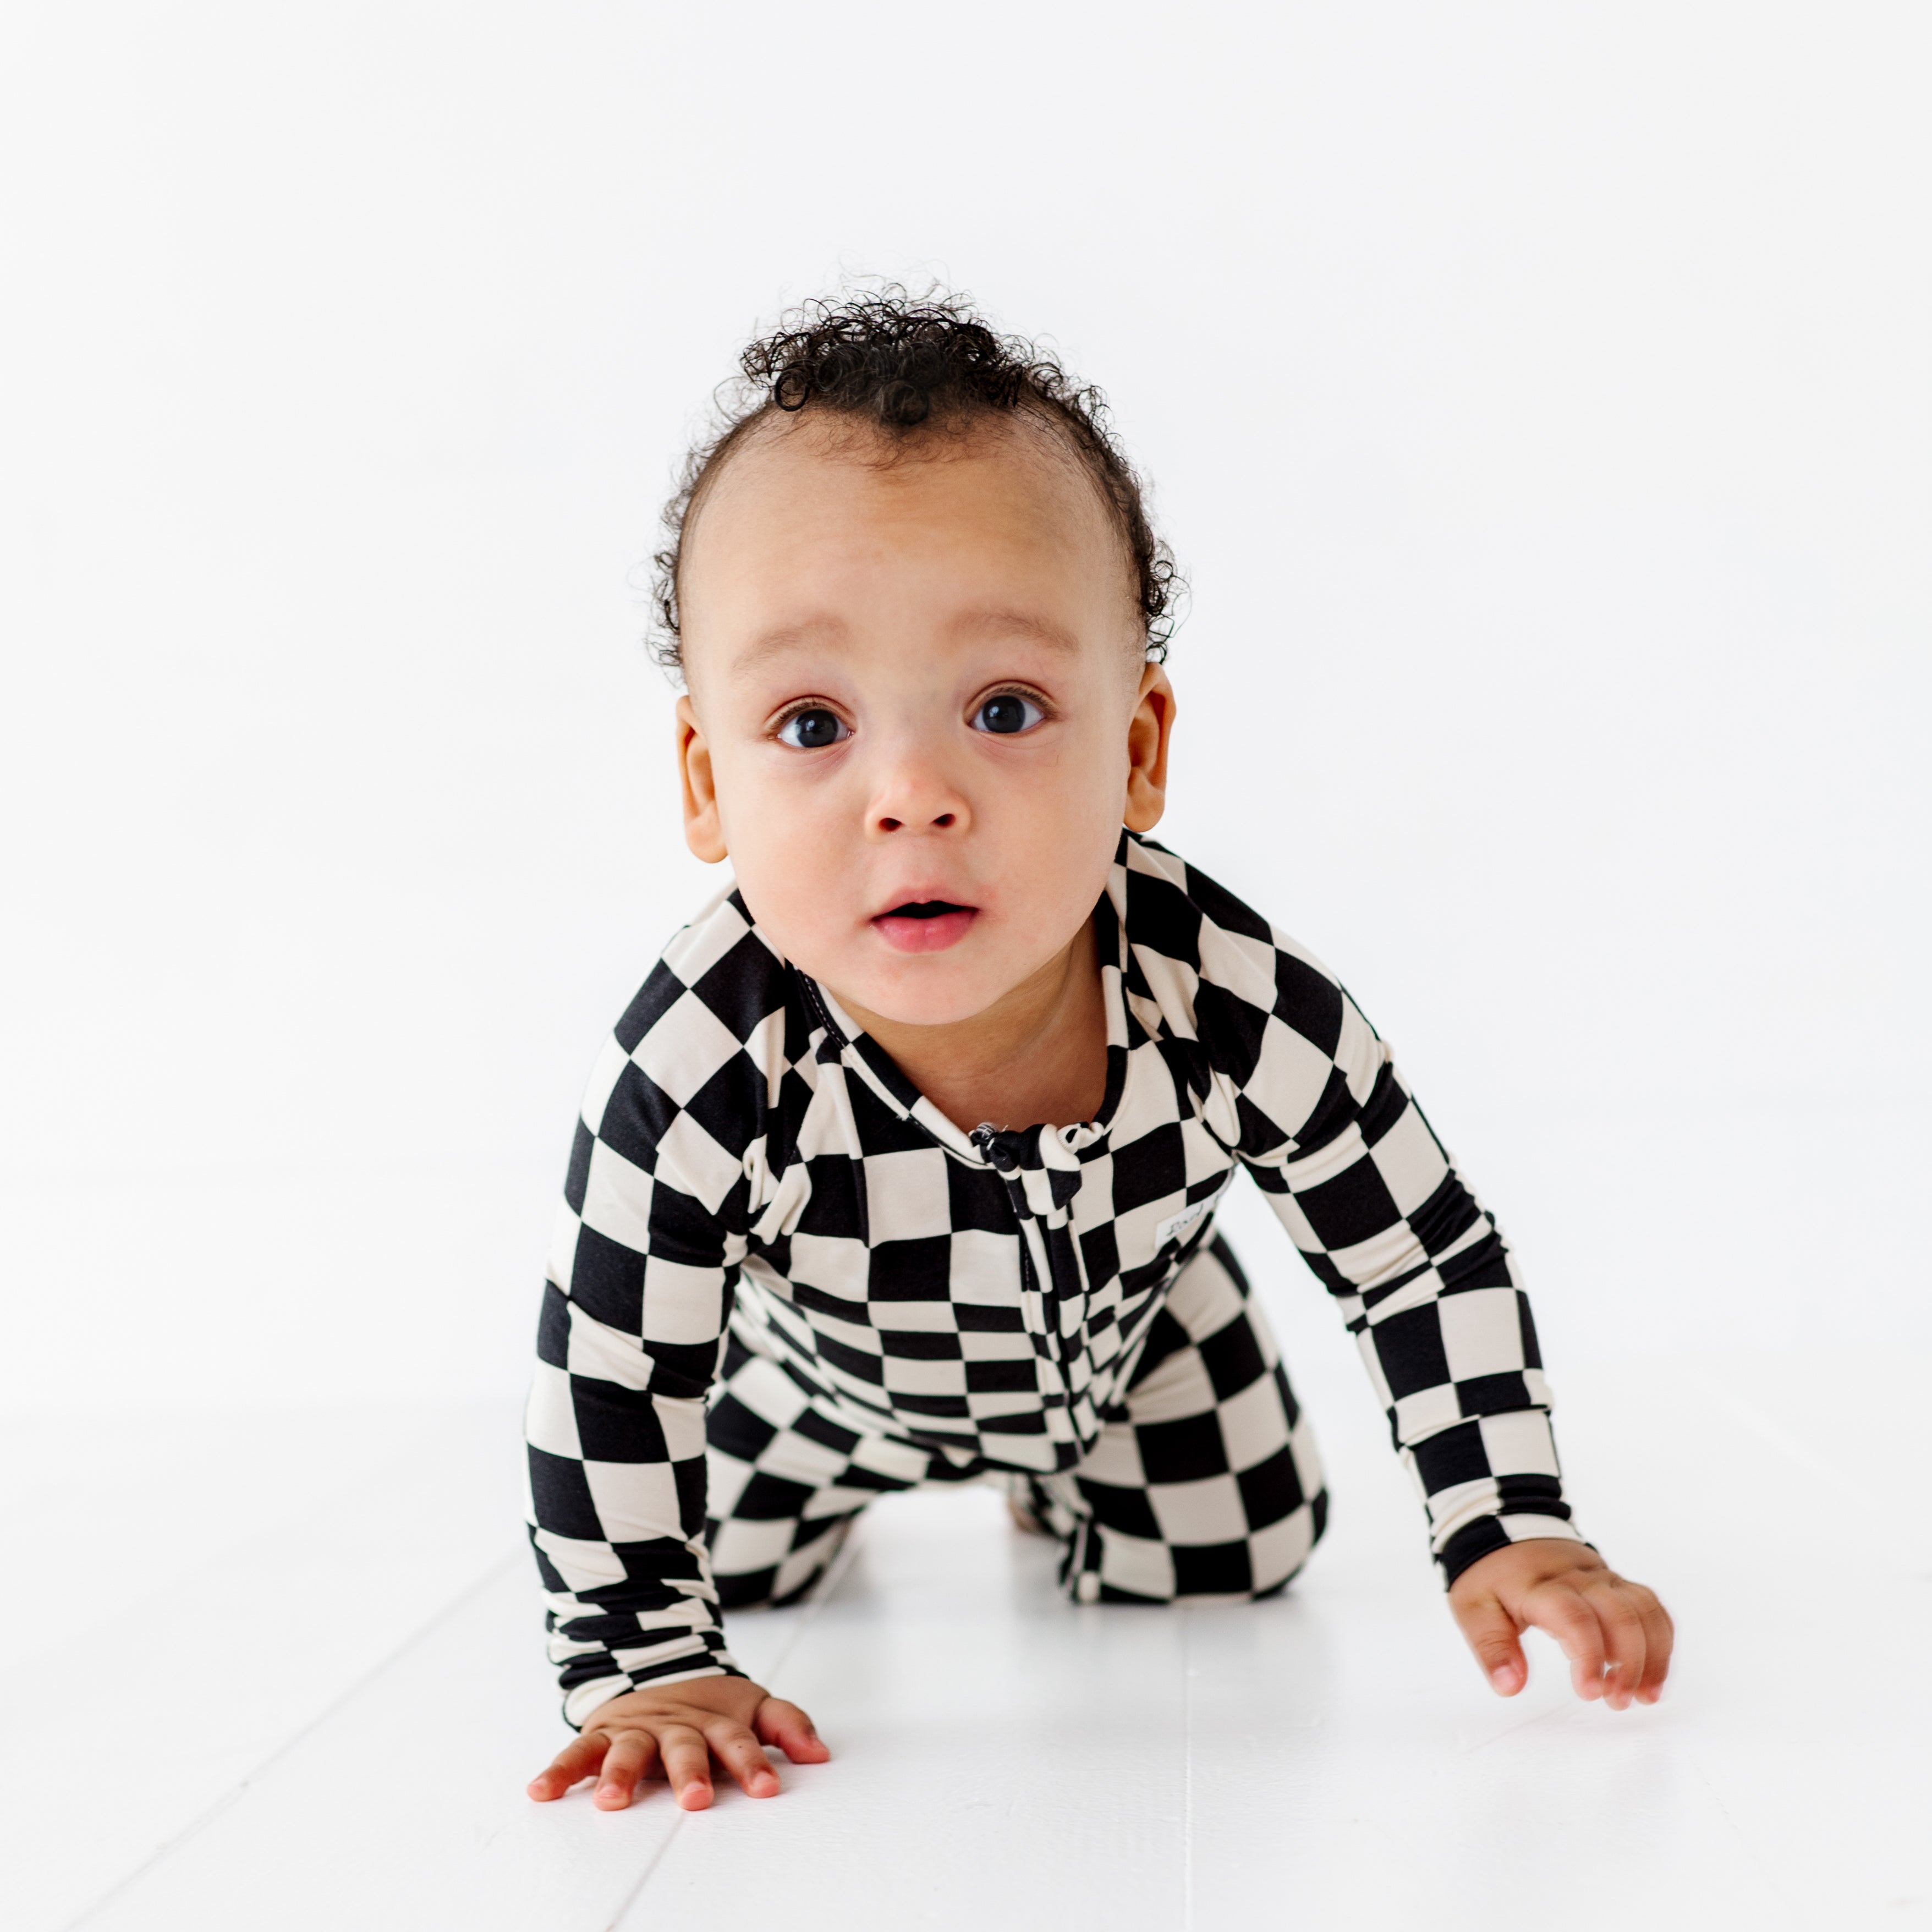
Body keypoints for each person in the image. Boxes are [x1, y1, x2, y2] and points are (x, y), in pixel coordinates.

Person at [523, 289, 1673, 1814]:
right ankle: (783, 1540)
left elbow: (1418, 1256)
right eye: (812, 725)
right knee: (699, 1565)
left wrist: (1506, 1518)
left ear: (1138, 749)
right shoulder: (705, 1058)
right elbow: (614, 1365)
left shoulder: (1228, 998)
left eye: (1005, 709)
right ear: (705, 783)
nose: (914, 793)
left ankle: (1060, 1492)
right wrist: (645, 1660)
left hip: (1141, 1349)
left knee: (1241, 1555)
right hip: (810, 1384)